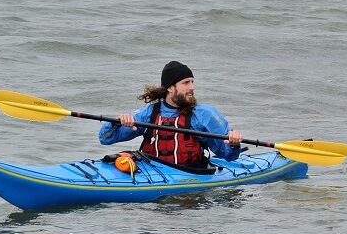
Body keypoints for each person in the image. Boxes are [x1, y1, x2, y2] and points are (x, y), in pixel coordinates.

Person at [99, 61, 243, 165]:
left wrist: (233, 144)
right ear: (170, 88)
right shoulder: (149, 113)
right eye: (186, 83)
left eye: (192, 82)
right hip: (152, 171)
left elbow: (228, 155)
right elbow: (105, 139)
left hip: (191, 176)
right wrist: (116, 123)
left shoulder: (204, 115)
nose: (192, 87)